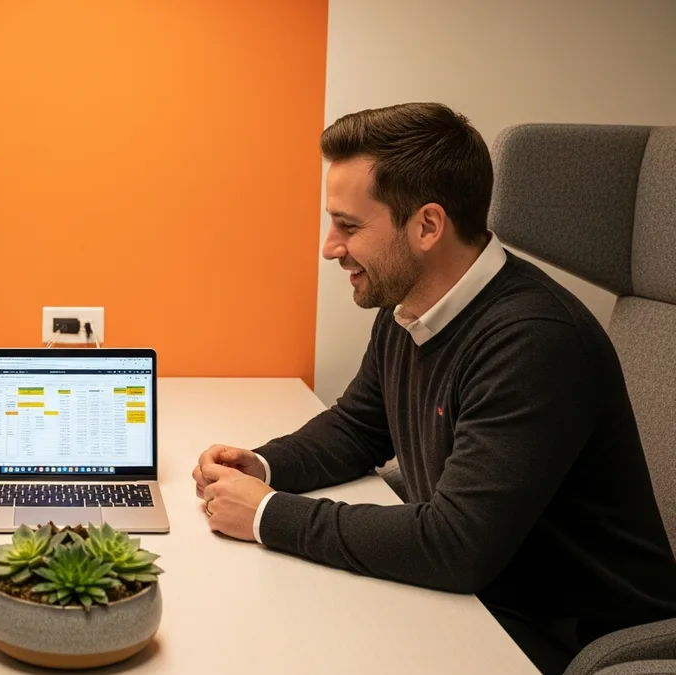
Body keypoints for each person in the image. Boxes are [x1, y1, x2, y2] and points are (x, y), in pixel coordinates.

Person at [192, 102, 676, 674]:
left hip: (565, 636)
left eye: (349, 226)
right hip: (476, 601)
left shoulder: (534, 341)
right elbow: (358, 427)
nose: (329, 246)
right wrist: (262, 466)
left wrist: (268, 515)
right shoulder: (408, 306)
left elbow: (456, 546)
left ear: (427, 226)